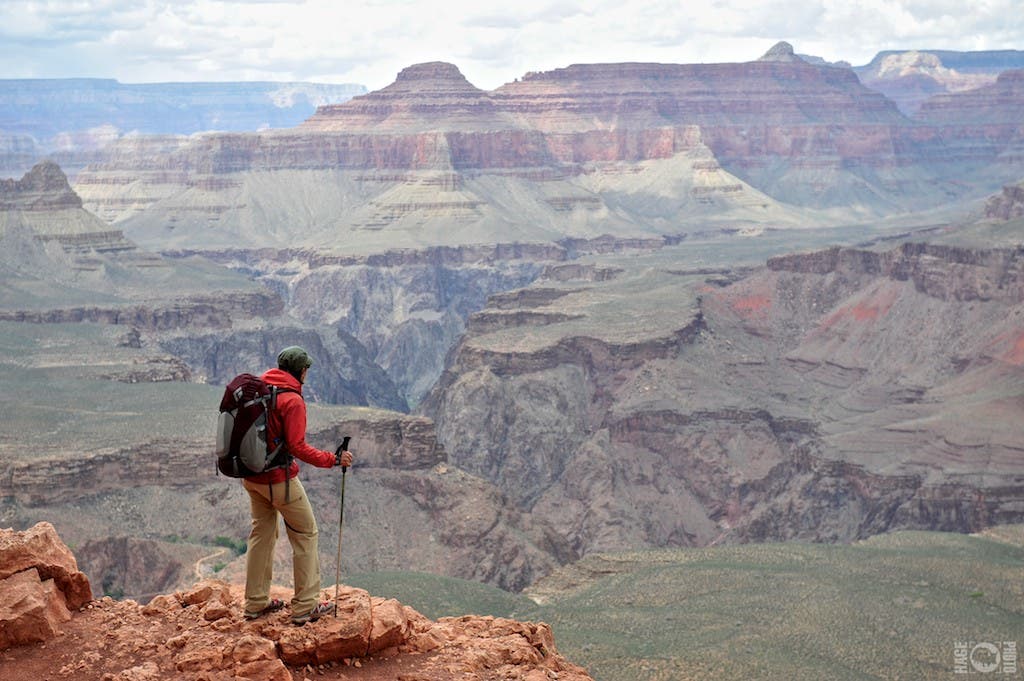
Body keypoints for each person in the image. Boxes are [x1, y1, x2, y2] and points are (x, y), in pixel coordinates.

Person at [242, 345, 354, 626]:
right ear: (300, 370)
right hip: (280, 482)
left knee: (261, 535)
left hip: (252, 477)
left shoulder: (260, 388)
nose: (307, 373)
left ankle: (255, 604)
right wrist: (333, 459)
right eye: (307, 369)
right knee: (305, 534)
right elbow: (298, 446)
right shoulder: (292, 400)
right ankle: (305, 606)